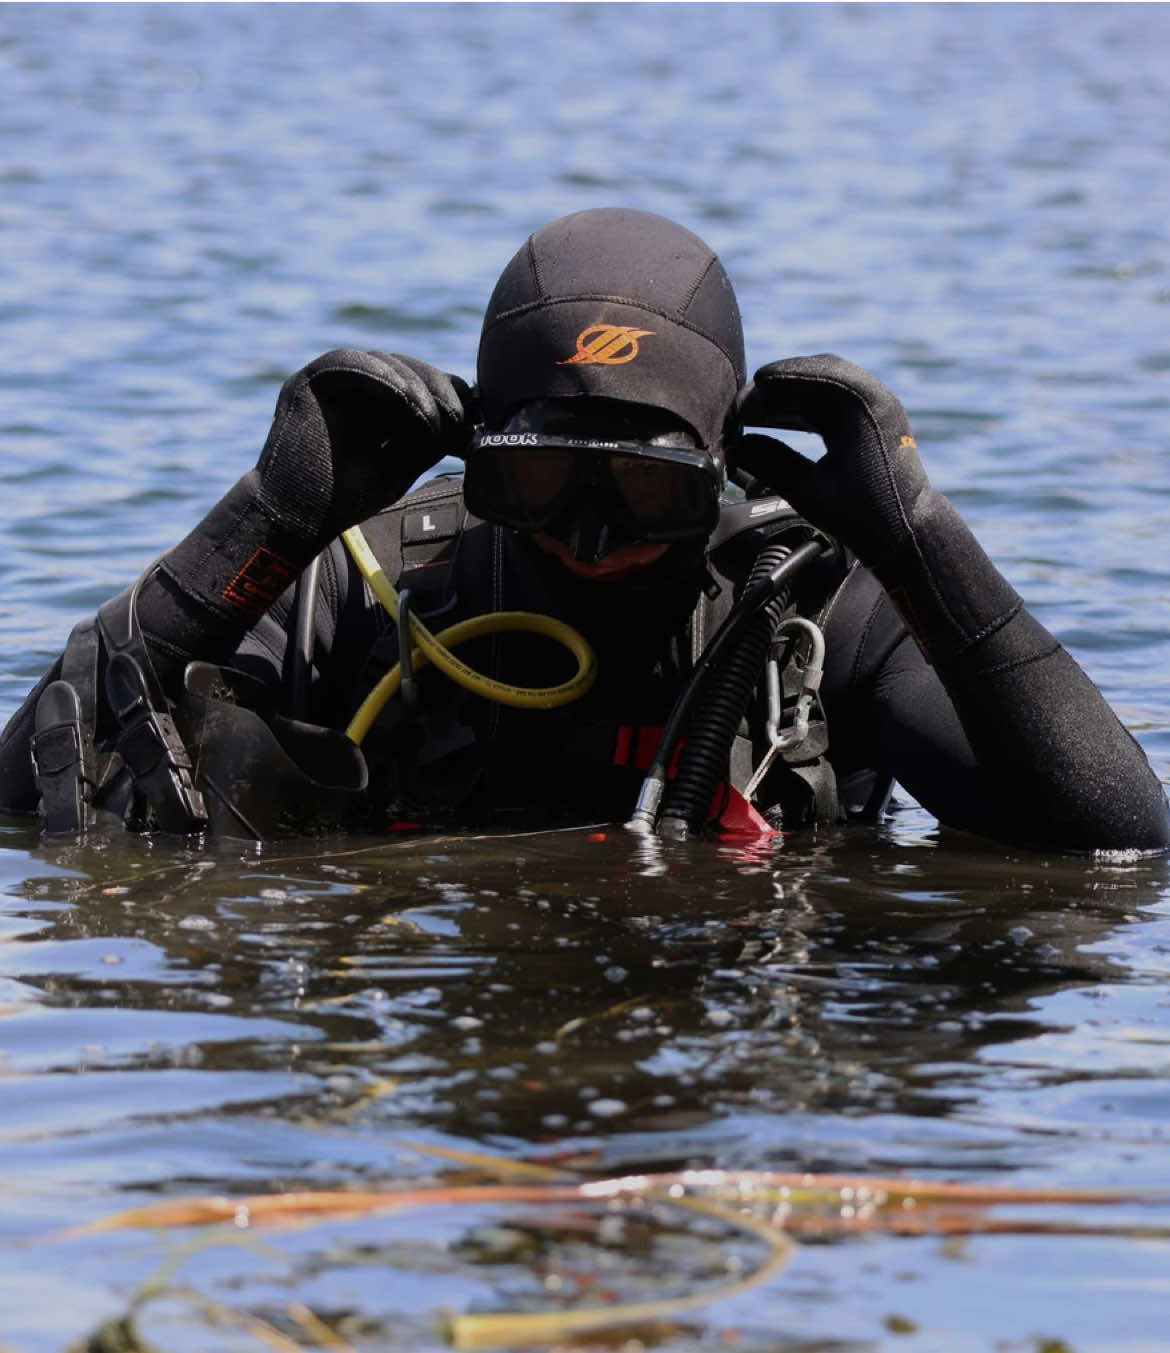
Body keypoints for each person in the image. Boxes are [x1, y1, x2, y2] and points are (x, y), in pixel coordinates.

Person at [1, 208, 1166, 851]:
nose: (593, 538)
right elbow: (26, 804)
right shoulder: (373, 584)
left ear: (723, 467)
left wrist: (923, 541)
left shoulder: (814, 605)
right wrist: (263, 519)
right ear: (480, 462)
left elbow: (1120, 843)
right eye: (544, 482)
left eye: (648, 489)